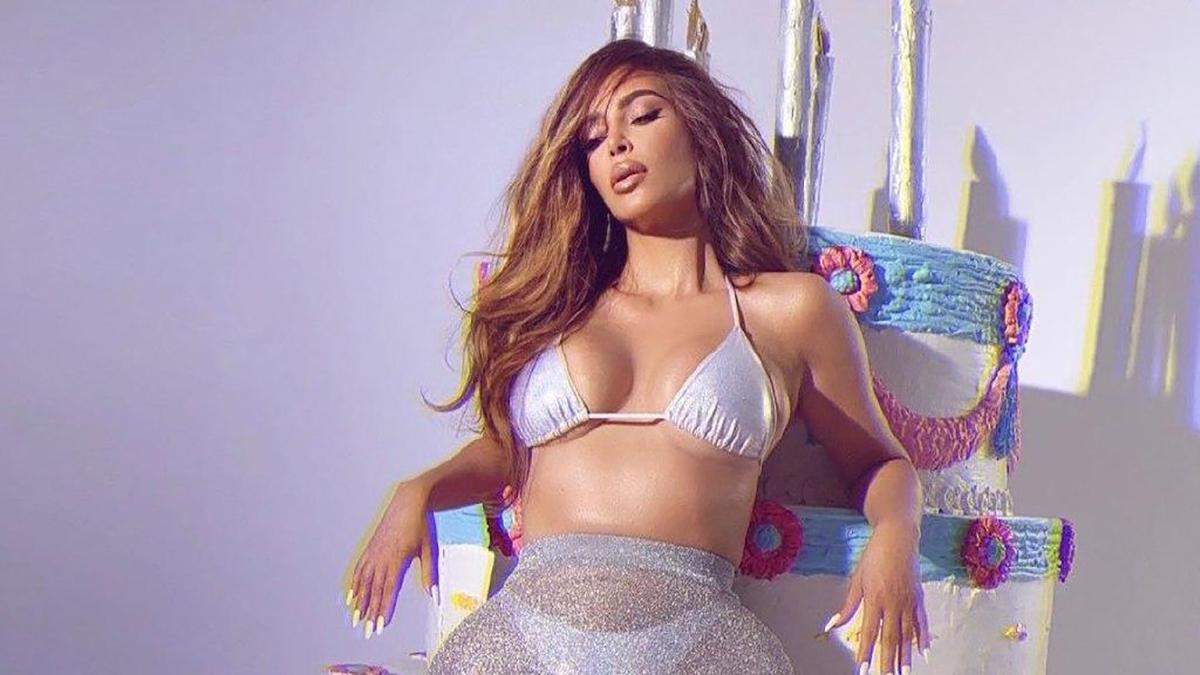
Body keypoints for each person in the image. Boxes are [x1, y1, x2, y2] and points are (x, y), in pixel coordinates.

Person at [345, 39, 930, 675]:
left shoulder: (790, 311)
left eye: (644, 116)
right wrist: (419, 489)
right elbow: (508, 449)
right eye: (594, 140)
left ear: (701, 133)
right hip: (518, 646)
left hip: (699, 648)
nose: (617, 146)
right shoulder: (558, 306)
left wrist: (895, 537)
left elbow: (878, 462)